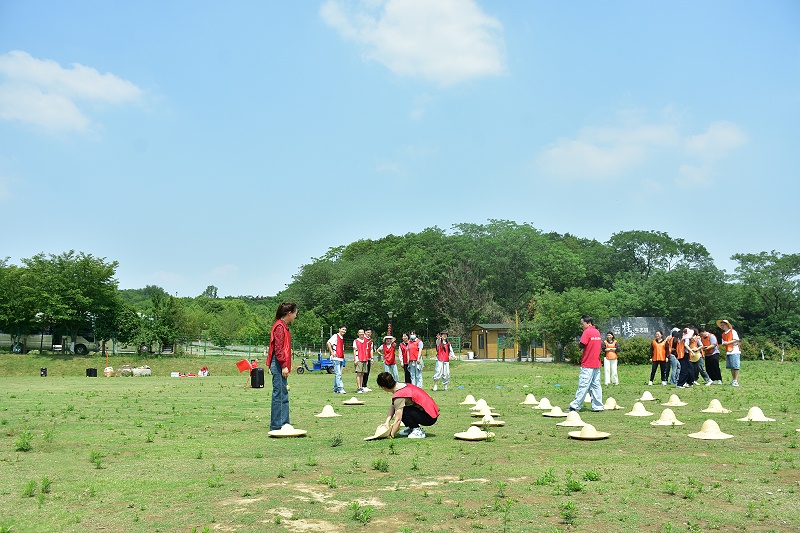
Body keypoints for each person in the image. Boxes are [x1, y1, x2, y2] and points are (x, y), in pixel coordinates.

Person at [377, 372, 439, 439]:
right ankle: (412, 427)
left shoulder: (399, 396)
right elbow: (393, 406)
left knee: (403, 410)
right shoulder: (401, 385)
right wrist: (387, 422)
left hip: (429, 417)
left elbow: (398, 419)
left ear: (384, 388)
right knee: (400, 407)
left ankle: (417, 430)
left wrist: (391, 435)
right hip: (431, 413)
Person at [267, 302, 297, 431]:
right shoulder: (279, 327)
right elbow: (278, 348)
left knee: (283, 392)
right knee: (279, 394)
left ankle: (284, 422)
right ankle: (277, 424)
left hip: (280, 363)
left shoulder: (283, 326)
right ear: (289, 313)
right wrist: (284, 365)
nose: (296, 316)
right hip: (279, 363)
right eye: (295, 313)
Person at [567, 315, 603, 413]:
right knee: (596, 385)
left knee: (583, 385)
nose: (581, 325)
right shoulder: (597, 332)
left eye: (582, 323)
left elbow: (581, 345)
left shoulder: (587, 332)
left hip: (587, 363)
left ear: (588, 323)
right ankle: (598, 406)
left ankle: (575, 406)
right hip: (596, 363)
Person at [717, 319, 741, 387]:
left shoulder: (733, 331)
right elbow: (723, 342)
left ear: (727, 325)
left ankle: (736, 380)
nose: (722, 327)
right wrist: (725, 343)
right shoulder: (723, 334)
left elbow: (736, 340)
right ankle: (734, 380)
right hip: (728, 351)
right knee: (731, 367)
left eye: (723, 325)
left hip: (735, 350)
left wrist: (728, 343)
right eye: (721, 325)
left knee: (736, 366)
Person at [327, 325, 347, 394]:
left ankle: (335, 388)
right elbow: (329, 342)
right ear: (339, 329)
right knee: (338, 374)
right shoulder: (335, 336)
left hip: (341, 358)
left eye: (345, 330)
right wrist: (332, 352)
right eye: (343, 329)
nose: (344, 331)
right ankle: (340, 388)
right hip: (336, 358)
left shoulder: (342, 338)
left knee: (338, 374)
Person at [353, 329, 371, 393]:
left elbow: (366, 350)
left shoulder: (365, 341)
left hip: (364, 359)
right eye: (360, 332)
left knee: (363, 374)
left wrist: (367, 359)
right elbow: (354, 350)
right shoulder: (356, 341)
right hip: (359, 359)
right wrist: (355, 359)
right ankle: (359, 388)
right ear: (358, 334)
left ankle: (361, 386)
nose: (361, 334)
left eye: (362, 332)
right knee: (359, 373)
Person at [362, 328, 375, 392]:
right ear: (365, 332)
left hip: (369, 358)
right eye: (367, 332)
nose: (369, 334)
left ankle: (365, 385)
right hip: (363, 358)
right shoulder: (362, 339)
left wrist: (372, 358)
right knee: (363, 372)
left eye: (370, 332)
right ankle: (362, 385)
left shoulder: (371, 340)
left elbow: (371, 349)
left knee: (367, 372)